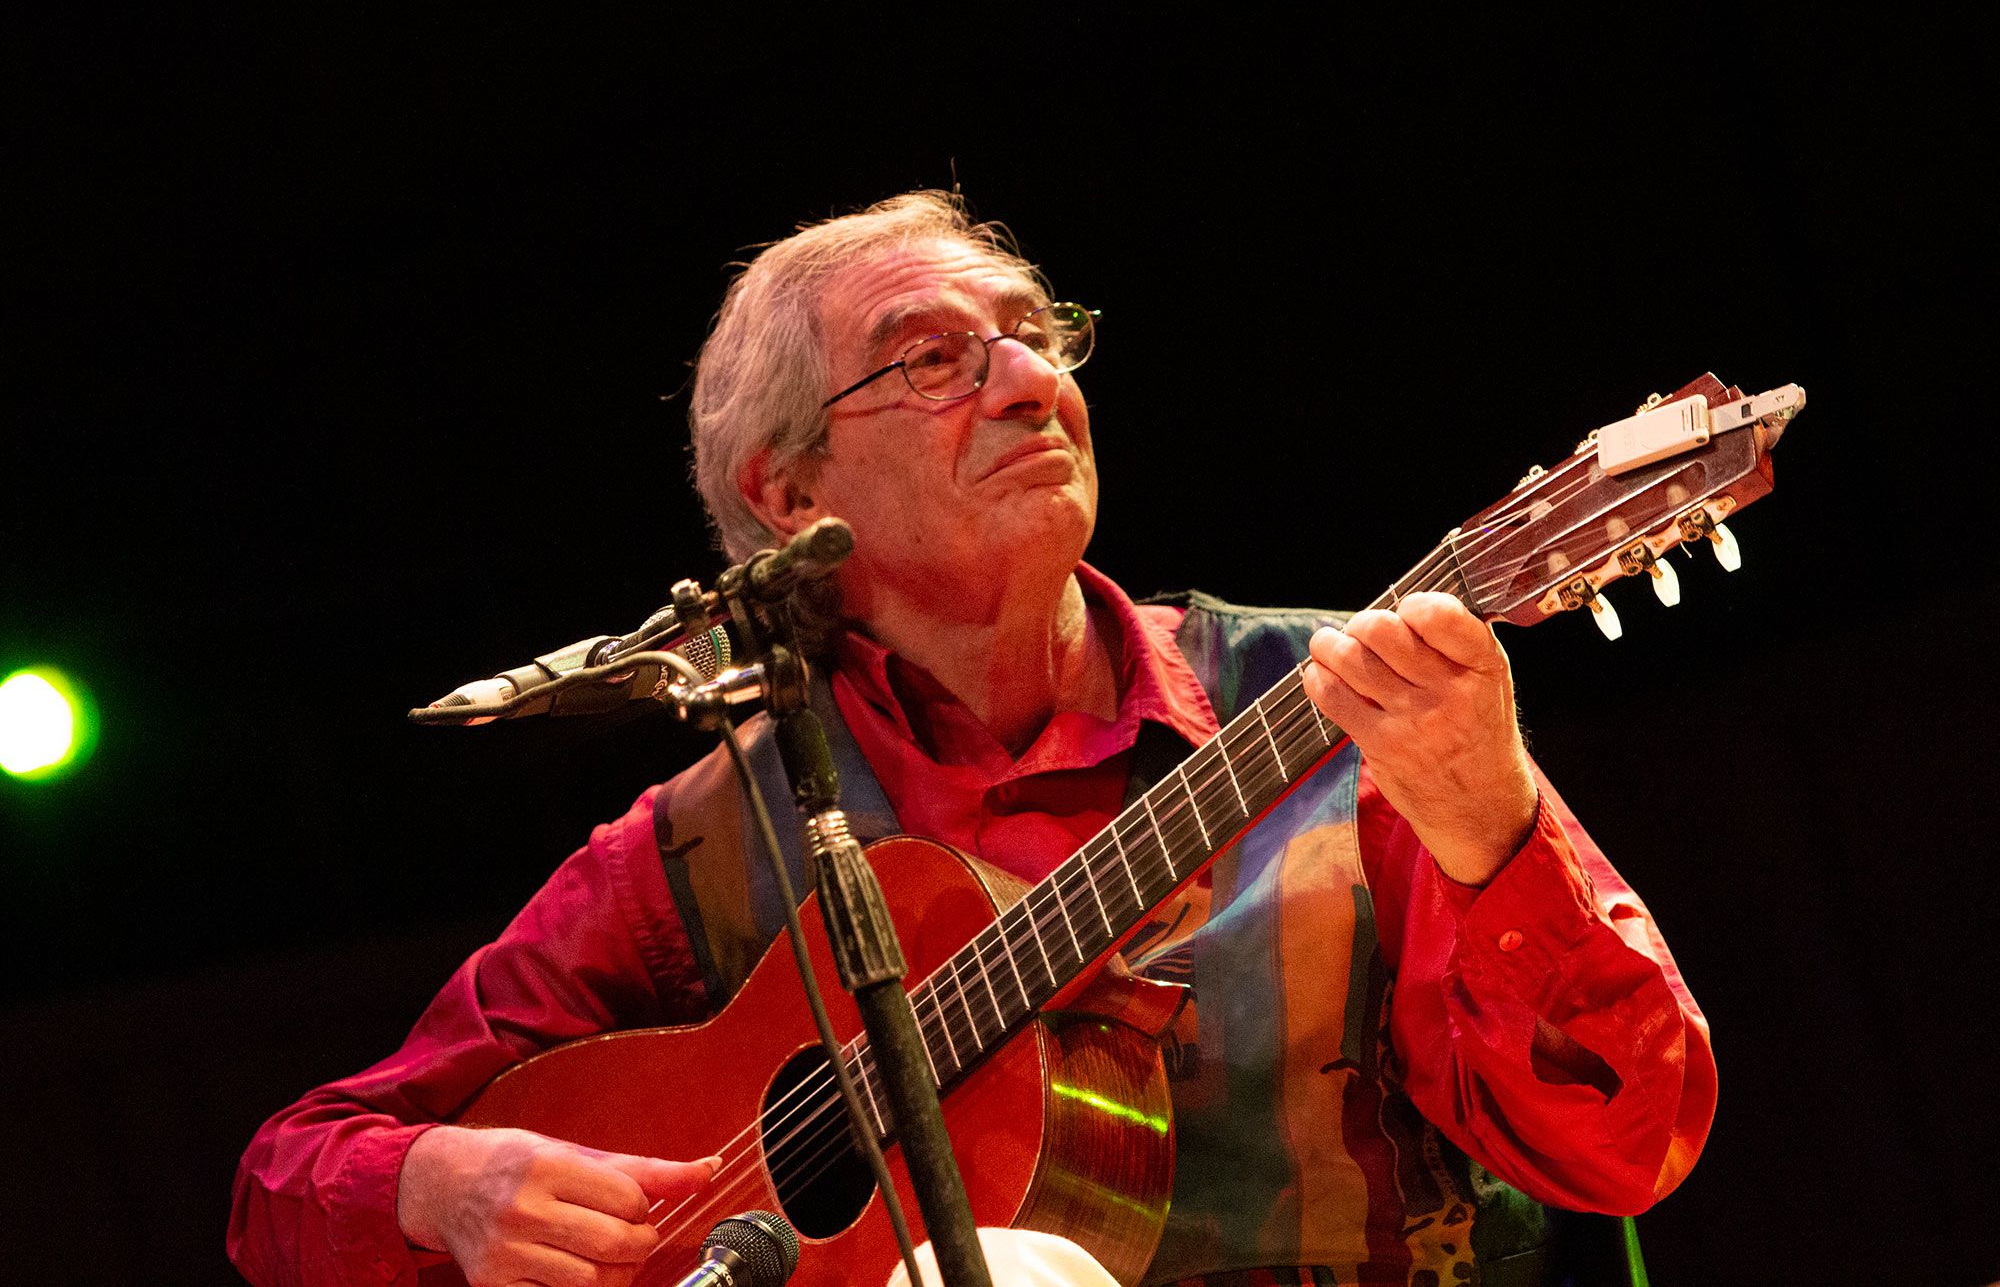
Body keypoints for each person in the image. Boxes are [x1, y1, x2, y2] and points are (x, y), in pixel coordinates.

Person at [230, 192, 1716, 1287]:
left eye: (1033, 334)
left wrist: (1493, 830)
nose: (1027, 379)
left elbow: (1625, 1148)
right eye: (931, 358)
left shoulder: (1350, 700)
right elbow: (288, 1174)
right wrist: (443, 1176)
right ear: (787, 489)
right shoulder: (705, 841)